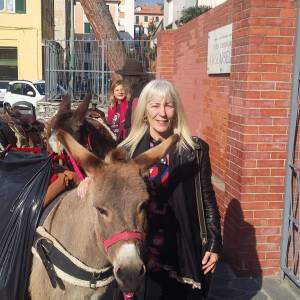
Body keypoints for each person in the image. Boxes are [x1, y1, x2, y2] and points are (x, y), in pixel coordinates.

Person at [119, 80, 222, 299]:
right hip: (142, 247)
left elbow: (207, 198)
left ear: (176, 111)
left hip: (180, 247)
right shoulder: (127, 151)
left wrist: (214, 241)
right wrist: (89, 182)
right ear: (145, 110)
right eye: (155, 105)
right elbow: (110, 187)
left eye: (168, 105)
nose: (162, 113)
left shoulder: (194, 150)